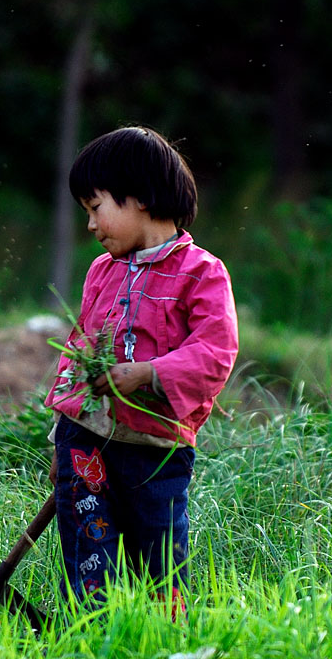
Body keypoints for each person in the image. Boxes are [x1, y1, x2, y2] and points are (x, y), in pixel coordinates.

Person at [44, 124, 238, 610]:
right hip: (85, 441)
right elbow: (80, 346)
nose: (90, 224)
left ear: (140, 199)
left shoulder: (201, 273)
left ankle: (162, 640)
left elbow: (217, 350)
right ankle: (94, 633)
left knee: (161, 564)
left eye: (95, 208)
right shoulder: (101, 271)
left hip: (156, 449)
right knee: (91, 552)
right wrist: (58, 438)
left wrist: (149, 373)